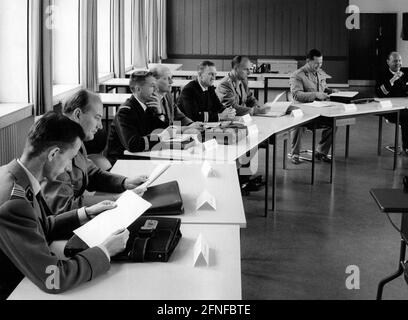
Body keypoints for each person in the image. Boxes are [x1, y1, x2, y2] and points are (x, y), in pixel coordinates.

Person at [0, 112, 129, 299]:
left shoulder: (13, 174)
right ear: (53, 153)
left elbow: (39, 226)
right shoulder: (14, 202)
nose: (70, 167)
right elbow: (54, 278)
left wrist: (86, 213)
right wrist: (105, 250)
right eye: (70, 158)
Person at [42, 89, 148, 215]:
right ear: (77, 115)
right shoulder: (58, 148)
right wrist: (116, 199)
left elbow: (91, 173)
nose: (101, 126)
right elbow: (65, 207)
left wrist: (125, 182)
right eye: (97, 118)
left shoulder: (75, 139)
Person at [105, 71, 168, 165]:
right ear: (138, 89)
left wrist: (159, 113)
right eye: (152, 86)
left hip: (142, 156)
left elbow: (161, 130)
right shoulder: (125, 112)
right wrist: (160, 137)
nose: (156, 89)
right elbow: (133, 144)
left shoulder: (149, 105)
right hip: (123, 162)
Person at [289, 49, 337, 164]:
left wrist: (331, 91)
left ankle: (321, 152)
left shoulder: (320, 72)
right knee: (297, 124)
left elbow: (323, 88)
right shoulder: (297, 75)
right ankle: (294, 154)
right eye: (316, 63)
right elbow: (297, 95)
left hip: (319, 112)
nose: (319, 65)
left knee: (333, 123)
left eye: (321, 63)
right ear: (308, 61)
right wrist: (316, 95)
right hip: (304, 113)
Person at [376, 51, 408, 154]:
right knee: (406, 117)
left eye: (399, 60)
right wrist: (393, 79)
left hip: (404, 106)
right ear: (388, 62)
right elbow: (380, 93)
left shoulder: (405, 74)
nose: (398, 63)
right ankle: (406, 148)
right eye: (395, 61)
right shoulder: (381, 74)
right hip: (389, 109)